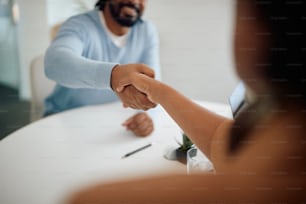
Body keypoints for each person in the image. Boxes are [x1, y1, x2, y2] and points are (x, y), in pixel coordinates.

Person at [68, 0, 306, 203]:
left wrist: (147, 110)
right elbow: (218, 141)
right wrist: (151, 88)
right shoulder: (79, 25)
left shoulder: (146, 30)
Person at [44, 0, 160, 136]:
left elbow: (153, 86)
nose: (134, 1)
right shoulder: (79, 25)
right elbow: (54, 64)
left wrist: (145, 116)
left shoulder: (146, 31)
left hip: (114, 123)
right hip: (64, 121)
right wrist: (113, 76)